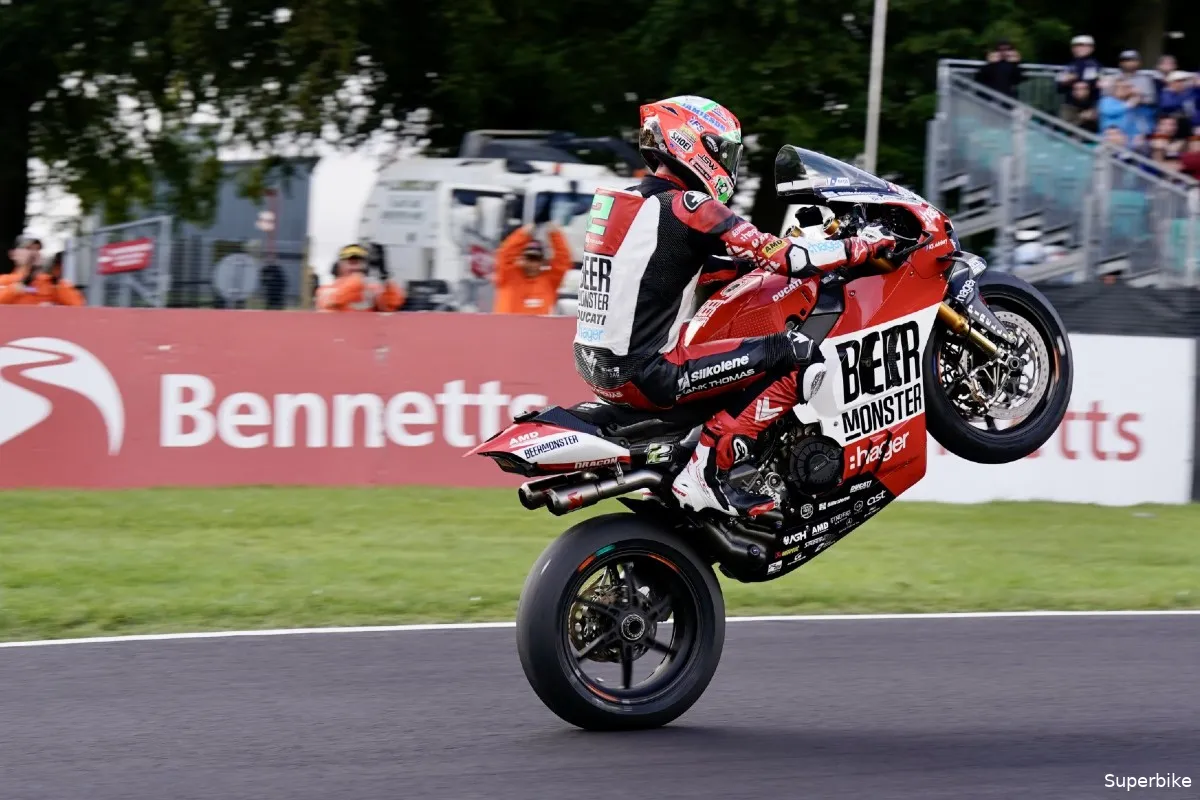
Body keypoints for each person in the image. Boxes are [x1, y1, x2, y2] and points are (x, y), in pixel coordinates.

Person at [573, 95, 896, 517]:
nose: (728, 161)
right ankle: (711, 469)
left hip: (594, 366)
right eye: (723, 150)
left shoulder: (629, 202)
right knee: (796, 355)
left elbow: (696, 271)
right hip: (645, 372)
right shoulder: (691, 207)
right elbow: (788, 258)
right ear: (693, 145)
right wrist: (861, 245)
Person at [492, 222, 572, 315]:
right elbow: (504, 255)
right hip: (508, 328)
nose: (532, 263)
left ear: (543, 262)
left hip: (540, 328)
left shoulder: (550, 281)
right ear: (521, 258)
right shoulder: (508, 276)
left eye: (536, 259)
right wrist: (523, 234)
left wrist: (555, 233)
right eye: (528, 258)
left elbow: (563, 261)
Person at [315, 243, 404, 312]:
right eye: (351, 262)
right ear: (338, 266)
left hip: (366, 333)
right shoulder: (326, 290)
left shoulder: (372, 290)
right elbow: (334, 301)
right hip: (337, 333)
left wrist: (384, 277)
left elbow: (391, 305)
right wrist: (359, 278)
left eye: (360, 262)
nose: (356, 267)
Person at [0, 240, 85, 306]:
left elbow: (77, 304)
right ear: (13, 254)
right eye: (28, 248)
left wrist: (55, 307)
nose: (34, 252)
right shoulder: (4, 281)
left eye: (37, 249)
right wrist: (15, 288)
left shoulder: (50, 282)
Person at [1057, 35, 1102, 102]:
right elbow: (1060, 86)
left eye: (1085, 46)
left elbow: (1090, 81)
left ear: (1092, 48)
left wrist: (1073, 78)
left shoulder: (1095, 65)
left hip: (1091, 104)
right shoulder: (1069, 64)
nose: (1080, 48)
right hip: (1070, 103)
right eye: (1077, 45)